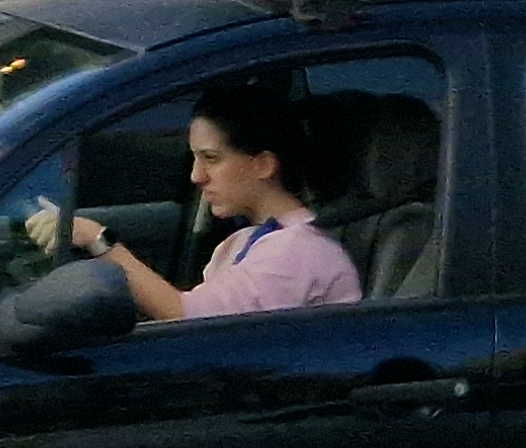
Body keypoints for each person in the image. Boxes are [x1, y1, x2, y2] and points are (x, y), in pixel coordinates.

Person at [103, 77, 363, 326]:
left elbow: (190, 319)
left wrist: (100, 242)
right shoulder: (247, 240)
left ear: (263, 165)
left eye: (211, 158)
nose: (196, 176)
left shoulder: (297, 251)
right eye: (195, 158)